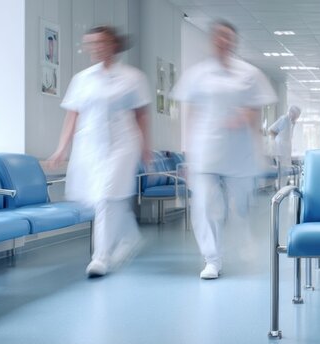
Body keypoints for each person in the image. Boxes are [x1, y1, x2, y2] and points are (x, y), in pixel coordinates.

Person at [172, 20, 277, 279]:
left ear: (234, 42)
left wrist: (246, 122)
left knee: (240, 205)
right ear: (212, 40)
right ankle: (212, 259)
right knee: (205, 205)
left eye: (228, 37)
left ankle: (243, 233)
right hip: (207, 150)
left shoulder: (249, 74)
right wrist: (188, 154)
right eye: (219, 37)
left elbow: (257, 111)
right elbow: (192, 114)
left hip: (239, 152)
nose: (223, 41)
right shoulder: (198, 75)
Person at [47, 25, 150, 278]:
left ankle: (100, 258)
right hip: (90, 146)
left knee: (105, 197)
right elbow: (72, 115)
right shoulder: (82, 79)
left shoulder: (132, 77)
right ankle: (129, 237)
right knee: (101, 198)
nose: (95, 48)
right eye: (90, 43)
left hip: (122, 145)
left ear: (114, 45)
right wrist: (61, 148)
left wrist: (146, 147)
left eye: (100, 42)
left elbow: (141, 115)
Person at [268, 105, 301, 187]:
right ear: (292, 113)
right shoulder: (284, 119)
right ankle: (279, 189)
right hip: (281, 150)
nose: (297, 117)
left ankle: (282, 188)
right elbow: (271, 130)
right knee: (282, 171)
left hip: (286, 150)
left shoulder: (291, 122)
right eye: (297, 115)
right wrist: (275, 143)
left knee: (285, 171)